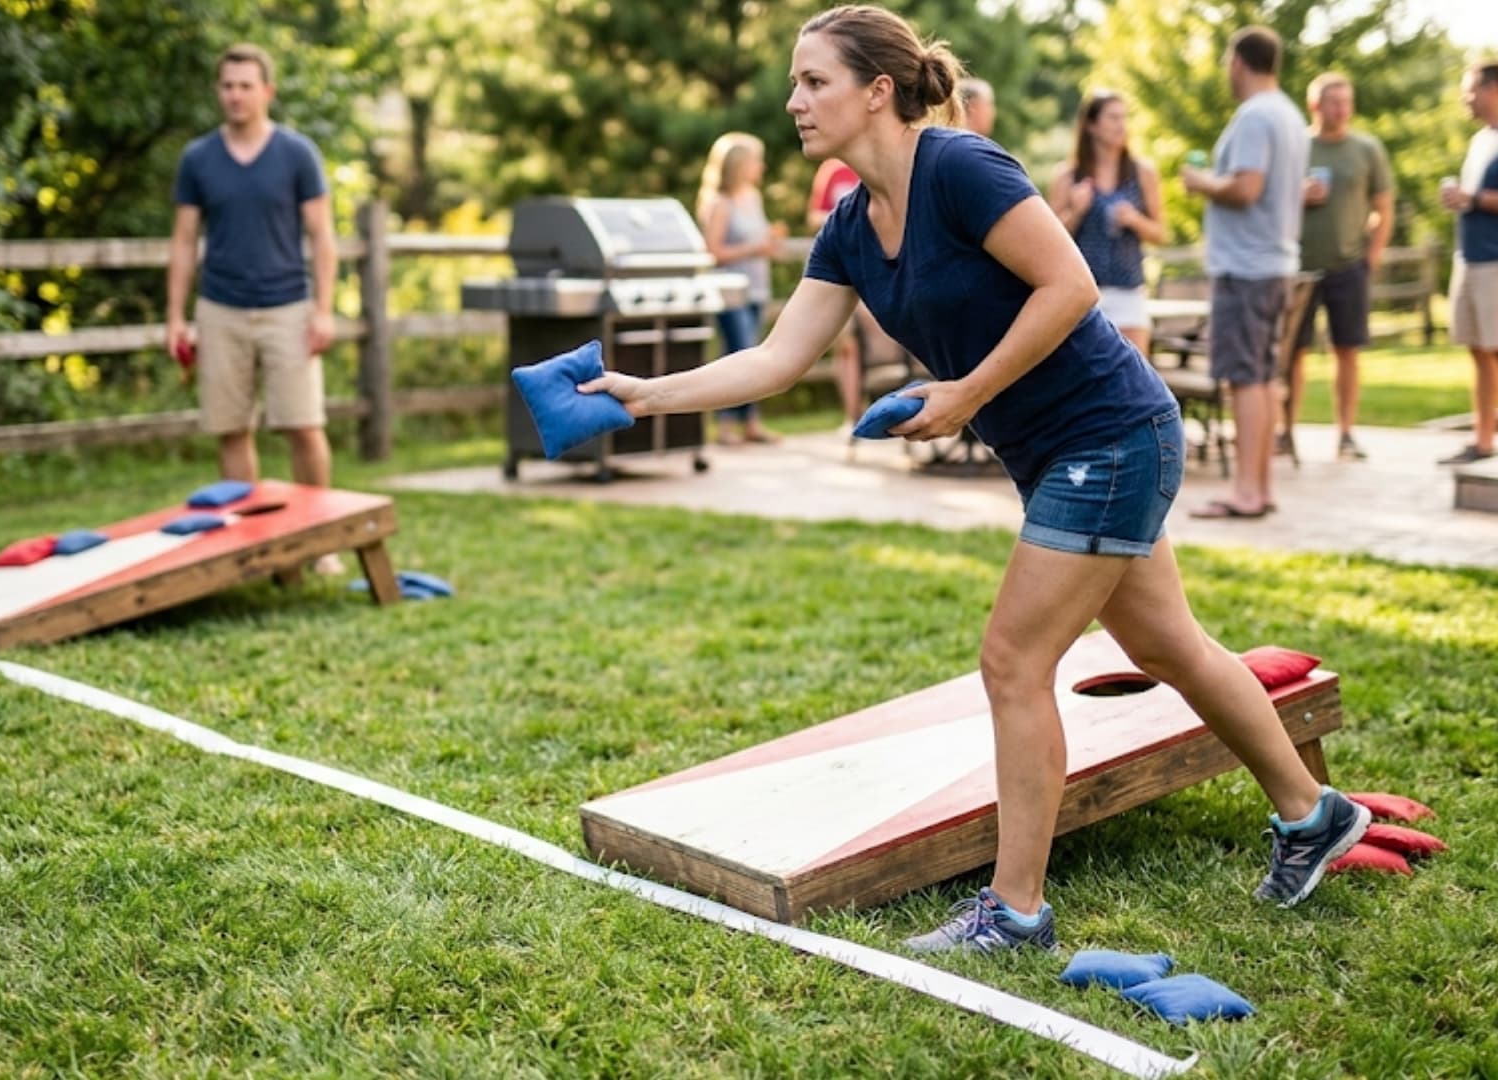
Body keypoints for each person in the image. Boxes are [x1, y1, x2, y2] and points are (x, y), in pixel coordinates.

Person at [580, 4, 1365, 954]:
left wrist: (964, 394)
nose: (794, 100)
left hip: (1111, 433)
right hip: (1055, 452)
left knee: (1013, 662)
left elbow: (1070, 284)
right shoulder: (849, 226)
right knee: (1174, 649)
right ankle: (1313, 815)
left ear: (878, 91)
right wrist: (639, 395)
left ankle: (1018, 911)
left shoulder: (960, 166)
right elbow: (779, 359)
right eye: (794, 83)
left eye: (813, 81)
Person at [166, 44, 344, 571]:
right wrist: (176, 316)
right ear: (218, 91)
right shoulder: (198, 159)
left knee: (303, 425)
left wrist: (325, 309)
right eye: (227, 85)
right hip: (220, 309)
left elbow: (322, 236)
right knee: (231, 427)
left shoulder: (296, 154)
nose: (235, 95)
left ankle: (320, 539)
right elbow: (182, 242)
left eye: (246, 85)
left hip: (289, 306)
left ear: (266, 91)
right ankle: (250, 541)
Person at [1181, 26, 1309, 519]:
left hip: (1248, 268)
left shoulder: (1256, 116)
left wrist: (1201, 182)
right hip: (1274, 263)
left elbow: (1247, 187)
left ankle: (1247, 492)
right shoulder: (1290, 114)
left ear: (1238, 62)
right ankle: (1262, 487)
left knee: (1245, 380)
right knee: (1262, 377)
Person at [1285, 73, 1393, 462]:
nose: (1342, 108)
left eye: (1347, 100)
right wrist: (1298, 195)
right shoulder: (1296, 146)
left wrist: (1372, 258)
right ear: (1315, 105)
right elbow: (1272, 200)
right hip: (1297, 268)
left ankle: (1346, 433)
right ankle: (1286, 432)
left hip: (1349, 268)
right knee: (1291, 353)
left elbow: (1384, 207)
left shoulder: (1367, 149)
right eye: (1334, 101)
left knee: (1347, 352)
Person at [1048, 90, 1169, 357]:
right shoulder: (1068, 176)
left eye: (1124, 118)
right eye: (1113, 118)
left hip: (1129, 291)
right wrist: (1076, 211)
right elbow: (1049, 239)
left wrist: (1135, 220)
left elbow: (1161, 233)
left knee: (1136, 381)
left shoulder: (1142, 172)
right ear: (1092, 125)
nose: (1121, 125)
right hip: (1081, 294)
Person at [698, 133, 788, 445]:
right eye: (755, 161)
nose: (760, 167)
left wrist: (768, 244)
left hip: (757, 288)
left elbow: (756, 242)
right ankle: (724, 425)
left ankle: (750, 423)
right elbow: (713, 252)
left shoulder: (753, 197)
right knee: (738, 354)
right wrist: (753, 248)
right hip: (731, 292)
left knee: (753, 353)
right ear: (739, 165)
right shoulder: (720, 203)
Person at [1439, 63, 1498, 466]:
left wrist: (1472, 200)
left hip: (1495, 262)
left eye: (1470, 90)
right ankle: (1482, 441)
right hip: (1469, 258)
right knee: (1478, 351)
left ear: (1493, 89)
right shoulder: (1480, 140)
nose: (1465, 98)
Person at [809, 157, 866, 437]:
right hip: (844, 275)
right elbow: (814, 216)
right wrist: (849, 217)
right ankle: (851, 415)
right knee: (847, 348)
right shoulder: (834, 171)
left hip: (872, 273)